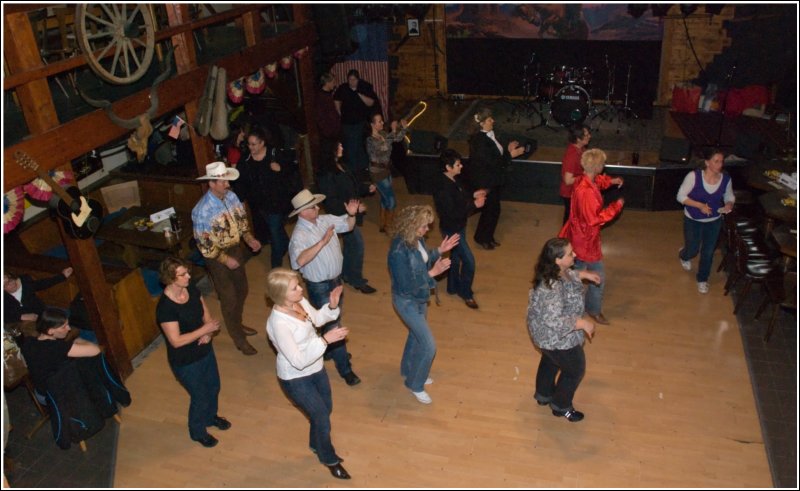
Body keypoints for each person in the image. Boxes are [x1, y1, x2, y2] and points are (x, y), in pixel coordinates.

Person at [265, 268, 351, 480]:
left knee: (325, 408)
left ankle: (315, 444)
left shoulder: (299, 302)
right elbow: (298, 361)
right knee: (321, 415)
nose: (301, 289)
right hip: (295, 378)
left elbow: (318, 319)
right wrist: (325, 341)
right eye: (295, 288)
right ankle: (329, 458)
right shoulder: (279, 323)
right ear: (282, 295)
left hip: (316, 367)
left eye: (299, 284)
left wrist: (331, 306)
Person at [21, 308, 131, 449]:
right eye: (63, 327)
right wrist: (78, 340)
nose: (68, 329)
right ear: (50, 331)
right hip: (59, 396)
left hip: (41, 392)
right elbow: (96, 350)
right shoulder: (58, 348)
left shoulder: (29, 343)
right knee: (91, 365)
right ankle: (104, 402)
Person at [288, 189, 362, 386]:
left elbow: (348, 225)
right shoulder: (299, 235)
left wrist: (352, 214)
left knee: (333, 319)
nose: (317, 208)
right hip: (319, 286)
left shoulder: (324, 219)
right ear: (303, 212)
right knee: (333, 324)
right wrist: (323, 241)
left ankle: (329, 348)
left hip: (335, 281)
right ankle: (345, 369)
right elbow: (298, 261)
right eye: (313, 206)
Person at [388, 205, 459, 404]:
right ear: (411, 225)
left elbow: (422, 260)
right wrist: (433, 274)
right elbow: (406, 285)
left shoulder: (414, 239)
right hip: (406, 301)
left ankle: (408, 369)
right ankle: (415, 384)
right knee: (429, 346)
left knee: (415, 335)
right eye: (424, 226)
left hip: (420, 297)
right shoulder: (398, 251)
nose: (427, 230)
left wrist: (439, 251)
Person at [156, 257, 229, 448]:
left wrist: (209, 333)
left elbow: (207, 317)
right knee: (200, 395)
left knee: (213, 386)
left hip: (204, 349)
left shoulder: (192, 290)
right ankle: (197, 431)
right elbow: (176, 341)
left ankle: (210, 417)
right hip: (185, 360)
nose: (189, 276)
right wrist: (203, 331)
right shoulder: (165, 308)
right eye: (183, 274)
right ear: (171, 279)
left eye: (187, 272)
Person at [192, 161, 263, 355]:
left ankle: (237, 324)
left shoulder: (231, 197)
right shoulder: (202, 210)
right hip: (216, 257)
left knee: (242, 288)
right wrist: (225, 260)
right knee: (229, 297)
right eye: (222, 181)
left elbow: (241, 222)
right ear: (211, 184)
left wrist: (249, 239)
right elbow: (204, 245)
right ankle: (238, 338)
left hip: (234, 250)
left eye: (226, 180)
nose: (227, 184)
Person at [527, 238, 599, 422]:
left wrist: (582, 274)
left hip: (544, 337)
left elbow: (566, 276)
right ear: (558, 260)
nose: (574, 255)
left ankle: (543, 394)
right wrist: (582, 323)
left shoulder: (556, 270)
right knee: (575, 369)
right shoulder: (550, 289)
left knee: (550, 359)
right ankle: (561, 405)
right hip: (555, 337)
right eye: (570, 254)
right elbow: (554, 320)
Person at [559, 149, 624, 325]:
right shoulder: (585, 191)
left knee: (574, 274)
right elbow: (594, 219)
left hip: (580, 238)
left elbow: (598, 182)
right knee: (596, 275)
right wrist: (616, 206)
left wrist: (612, 181)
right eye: (602, 164)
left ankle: (574, 305)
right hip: (584, 241)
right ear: (596, 167)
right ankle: (591, 310)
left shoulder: (584, 179)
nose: (604, 167)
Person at [235, 125, 302, 268]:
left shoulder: (274, 153)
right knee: (277, 230)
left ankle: (275, 266)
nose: (250, 147)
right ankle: (289, 247)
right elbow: (240, 182)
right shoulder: (245, 161)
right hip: (260, 204)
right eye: (249, 144)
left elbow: (292, 170)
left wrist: (280, 169)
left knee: (274, 232)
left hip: (278, 202)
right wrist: (240, 200)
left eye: (254, 144)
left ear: (262, 143)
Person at [316, 142, 378, 294]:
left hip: (349, 214)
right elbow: (331, 201)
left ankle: (346, 274)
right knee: (357, 246)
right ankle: (355, 279)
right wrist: (354, 210)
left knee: (351, 246)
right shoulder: (325, 174)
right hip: (340, 216)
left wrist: (365, 188)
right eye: (339, 146)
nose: (342, 148)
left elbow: (351, 186)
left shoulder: (341, 165)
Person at [432, 149, 486, 309]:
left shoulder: (453, 179)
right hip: (451, 229)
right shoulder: (442, 187)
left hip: (458, 226)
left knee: (455, 258)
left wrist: (474, 195)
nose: (461, 166)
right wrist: (474, 205)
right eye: (457, 164)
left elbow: (461, 196)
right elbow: (452, 212)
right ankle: (466, 293)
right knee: (469, 261)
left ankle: (452, 287)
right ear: (448, 167)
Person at [677, 147, 735, 294]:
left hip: (714, 220)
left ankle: (702, 279)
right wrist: (699, 205)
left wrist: (729, 204)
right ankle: (684, 255)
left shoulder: (726, 179)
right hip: (693, 219)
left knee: (708, 252)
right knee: (693, 249)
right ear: (707, 162)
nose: (719, 165)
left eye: (721, 161)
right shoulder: (693, 176)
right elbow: (680, 196)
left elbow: (729, 196)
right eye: (716, 161)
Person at [467, 107, 525, 250]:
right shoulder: (479, 141)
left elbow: (496, 154)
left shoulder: (489, 135)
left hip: (493, 179)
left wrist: (508, 149)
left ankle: (487, 237)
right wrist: (511, 155)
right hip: (487, 181)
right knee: (491, 210)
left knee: (492, 210)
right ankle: (482, 238)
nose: (493, 121)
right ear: (481, 123)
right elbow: (493, 162)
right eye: (489, 119)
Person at [559, 126, 623, 224]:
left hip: (578, 190)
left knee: (575, 219)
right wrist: (587, 177)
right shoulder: (572, 155)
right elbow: (567, 180)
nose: (590, 136)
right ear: (578, 139)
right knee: (571, 220)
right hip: (571, 193)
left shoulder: (581, 149)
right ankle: (565, 238)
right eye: (586, 135)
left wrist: (610, 181)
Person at [366, 113, 408, 233]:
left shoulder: (383, 134)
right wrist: (393, 131)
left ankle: (383, 224)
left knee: (385, 199)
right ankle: (390, 225)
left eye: (382, 121)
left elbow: (397, 139)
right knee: (391, 201)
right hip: (377, 173)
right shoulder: (370, 140)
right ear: (372, 124)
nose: (382, 123)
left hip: (386, 171)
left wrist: (403, 128)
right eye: (379, 122)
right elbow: (381, 148)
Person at [334, 69, 379, 174]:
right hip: (347, 123)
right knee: (350, 146)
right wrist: (339, 111)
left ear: (358, 79)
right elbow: (336, 99)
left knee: (359, 145)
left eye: (354, 79)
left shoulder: (364, 88)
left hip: (360, 122)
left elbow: (371, 103)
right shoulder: (343, 88)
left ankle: (362, 167)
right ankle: (353, 169)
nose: (352, 81)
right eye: (350, 79)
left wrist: (359, 94)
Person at [4, 267, 73, 323]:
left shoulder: (25, 282)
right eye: (6, 284)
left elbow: (42, 283)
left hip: (41, 314)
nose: (11, 283)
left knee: (64, 317)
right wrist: (20, 317)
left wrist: (62, 276)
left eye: (10, 279)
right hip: (19, 324)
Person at [315, 72, 342, 167]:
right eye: (333, 81)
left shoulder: (328, 95)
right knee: (327, 158)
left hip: (333, 133)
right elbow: (321, 118)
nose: (335, 84)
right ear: (327, 82)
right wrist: (329, 132)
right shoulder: (320, 98)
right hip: (328, 135)